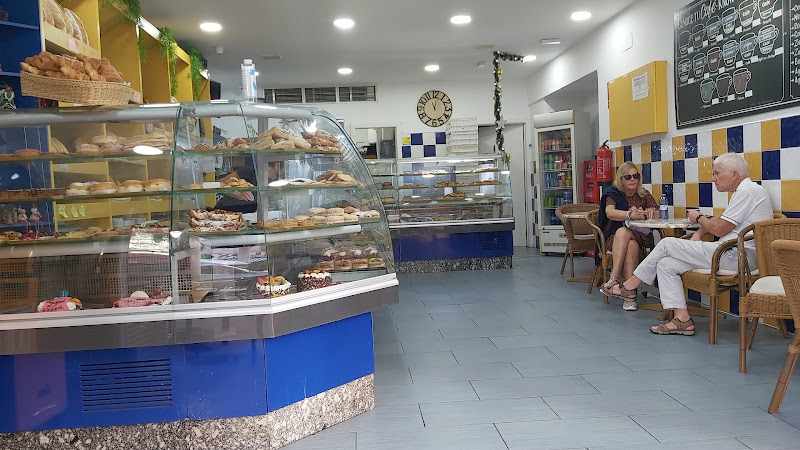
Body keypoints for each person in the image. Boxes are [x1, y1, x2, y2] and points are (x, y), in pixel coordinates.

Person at [605, 153, 773, 336]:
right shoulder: (745, 191)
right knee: (665, 264)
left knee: (667, 243)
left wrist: (698, 218)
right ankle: (682, 319)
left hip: (736, 257)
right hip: (729, 253)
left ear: (734, 174)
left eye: (717, 173)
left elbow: (719, 228)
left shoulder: (748, 191)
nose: (713, 178)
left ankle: (629, 286)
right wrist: (701, 230)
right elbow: (724, 224)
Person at [598, 163, 657, 311]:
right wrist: (629, 214)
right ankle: (629, 296)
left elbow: (656, 212)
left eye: (636, 176)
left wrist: (650, 212)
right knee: (628, 241)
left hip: (641, 236)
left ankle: (614, 280)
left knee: (624, 233)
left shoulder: (644, 193)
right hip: (616, 239)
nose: (633, 179)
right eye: (628, 177)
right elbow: (609, 213)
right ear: (621, 179)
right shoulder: (613, 192)